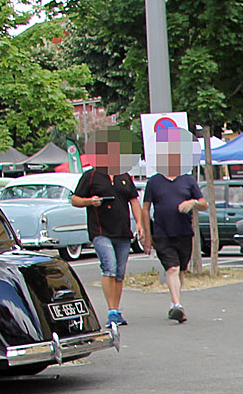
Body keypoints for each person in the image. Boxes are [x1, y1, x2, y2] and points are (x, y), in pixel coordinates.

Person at [72, 140, 144, 327]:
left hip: (122, 231)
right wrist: (90, 201)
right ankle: (111, 310)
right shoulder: (91, 176)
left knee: (119, 273)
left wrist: (139, 223)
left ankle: (117, 310)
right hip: (100, 231)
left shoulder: (124, 176)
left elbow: (134, 201)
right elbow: (75, 199)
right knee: (109, 266)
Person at [141, 146, 205, 323]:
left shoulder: (188, 181)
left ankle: (175, 302)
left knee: (181, 270)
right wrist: (147, 235)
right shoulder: (154, 183)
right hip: (162, 233)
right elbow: (145, 209)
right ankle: (177, 305)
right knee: (172, 268)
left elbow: (203, 203)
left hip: (184, 232)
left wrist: (192, 202)